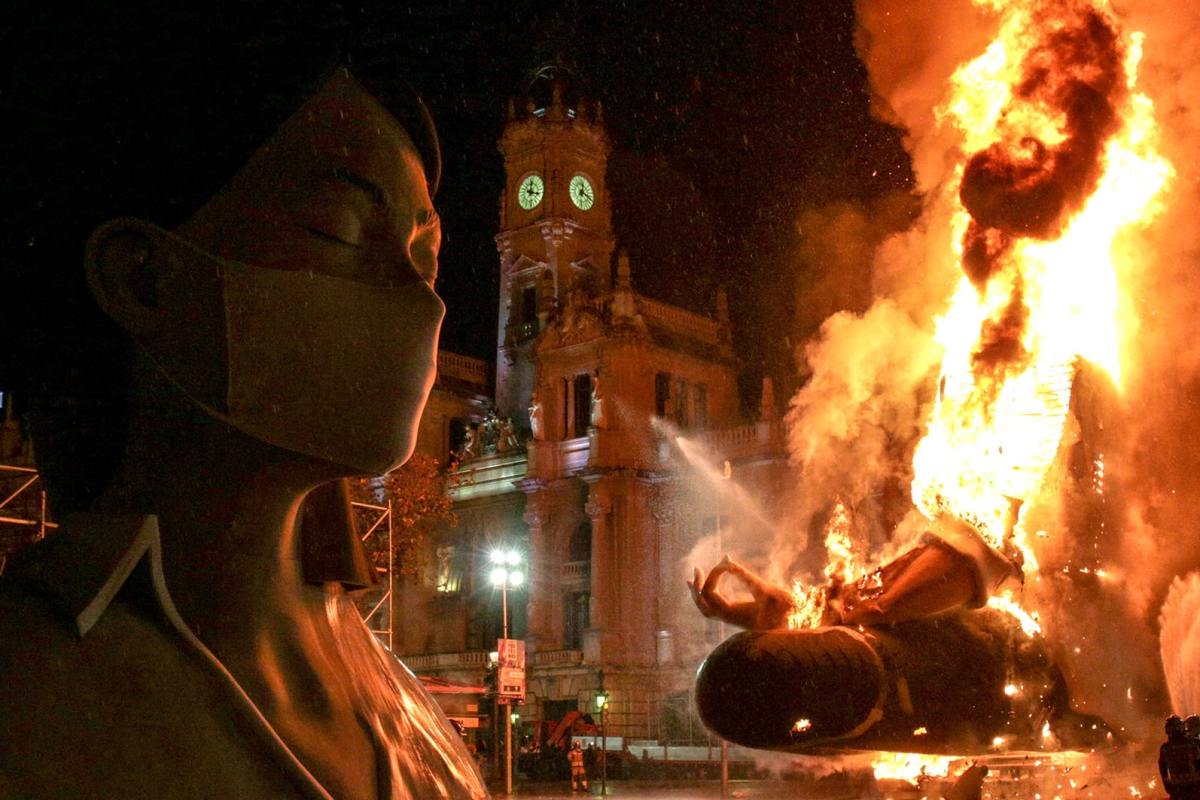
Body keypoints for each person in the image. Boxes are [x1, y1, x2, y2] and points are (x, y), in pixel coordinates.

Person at [0, 6, 486, 798]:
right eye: (338, 227)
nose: (421, 305)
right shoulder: (27, 698)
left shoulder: (404, 701)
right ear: (143, 277)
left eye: (425, 259)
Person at [1161, 716, 1200, 799]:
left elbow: (1163, 770)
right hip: (1195, 788)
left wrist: (1168, 786)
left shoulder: (1165, 748)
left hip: (1176, 789)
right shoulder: (1192, 744)